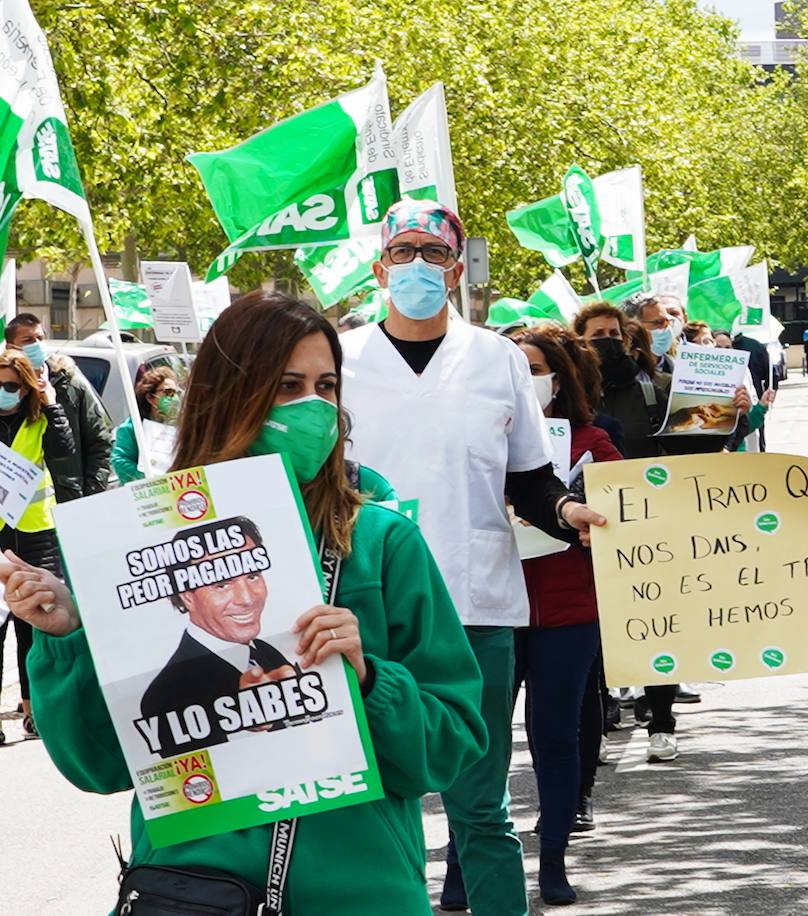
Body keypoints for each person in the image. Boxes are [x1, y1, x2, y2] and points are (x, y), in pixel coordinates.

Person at [14, 291, 489, 913]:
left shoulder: (379, 543)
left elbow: (450, 746)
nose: (314, 408)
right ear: (223, 396)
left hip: (360, 892)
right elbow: (98, 767)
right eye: (287, 386)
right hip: (193, 893)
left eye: (327, 386)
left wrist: (370, 680)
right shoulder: (133, 543)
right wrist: (67, 637)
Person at [340, 199, 603, 916]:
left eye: (433, 253)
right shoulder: (339, 359)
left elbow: (528, 474)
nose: (418, 266)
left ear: (457, 270)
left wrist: (564, 509)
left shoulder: (496, 358)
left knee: (479, 807)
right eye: (404, 252)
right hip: (361, 609)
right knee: (366, 804)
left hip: (475, 606)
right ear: (378, 267)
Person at [511, 325, 623, 905]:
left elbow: (630, 512)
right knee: (477, 744)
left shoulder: (592, 440)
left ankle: (552, 858)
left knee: (554, 735)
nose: (525, 380)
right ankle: (464, 862)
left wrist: (594, 518)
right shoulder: (474, 441)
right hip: (489, 610)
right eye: (515, 368)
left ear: (559, 376)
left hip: (568, 611)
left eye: (535, 369)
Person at [138, 516, 296, 758]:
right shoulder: (165, 695)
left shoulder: (268, 652)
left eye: (252, 575)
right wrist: (248, 727)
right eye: (222, 583)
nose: (247, 598)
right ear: (187, 596)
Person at [0, 347, 75, 742]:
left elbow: (66, 454)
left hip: (35, 536)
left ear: (26, 388)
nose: (4, 392)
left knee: (35, 626)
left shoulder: (40, 419)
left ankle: (35, 711)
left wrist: (52, 406)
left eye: (11, 386)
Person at [6, 313, 112, 503]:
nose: (36, 345)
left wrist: (92, 494)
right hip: (15, 506)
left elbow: (99, 441)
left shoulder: (70, 383)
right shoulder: (5, 387)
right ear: (10, 347)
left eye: (39, 338)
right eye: (28, 340)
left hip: (69, 497)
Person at [574, 302, 670, 460]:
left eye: (614, 333)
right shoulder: (569, 394)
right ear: (580, 342)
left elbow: (682, 446)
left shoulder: (649, 395)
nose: (608, 339)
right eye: (598, 334)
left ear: (624, 340)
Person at [111, 366, 180, 484]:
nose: (174, 398)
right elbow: (120, 461)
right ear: (150, 398)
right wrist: (151, 478)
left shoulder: (180, 427)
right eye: (168, 392)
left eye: (176, 393)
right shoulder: (132, 428)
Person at [624, 292, 678, 373]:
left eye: (668, 321)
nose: (666, 327)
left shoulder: (675, 367)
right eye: (659, 322)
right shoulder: (624, 372)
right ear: (634, 327)